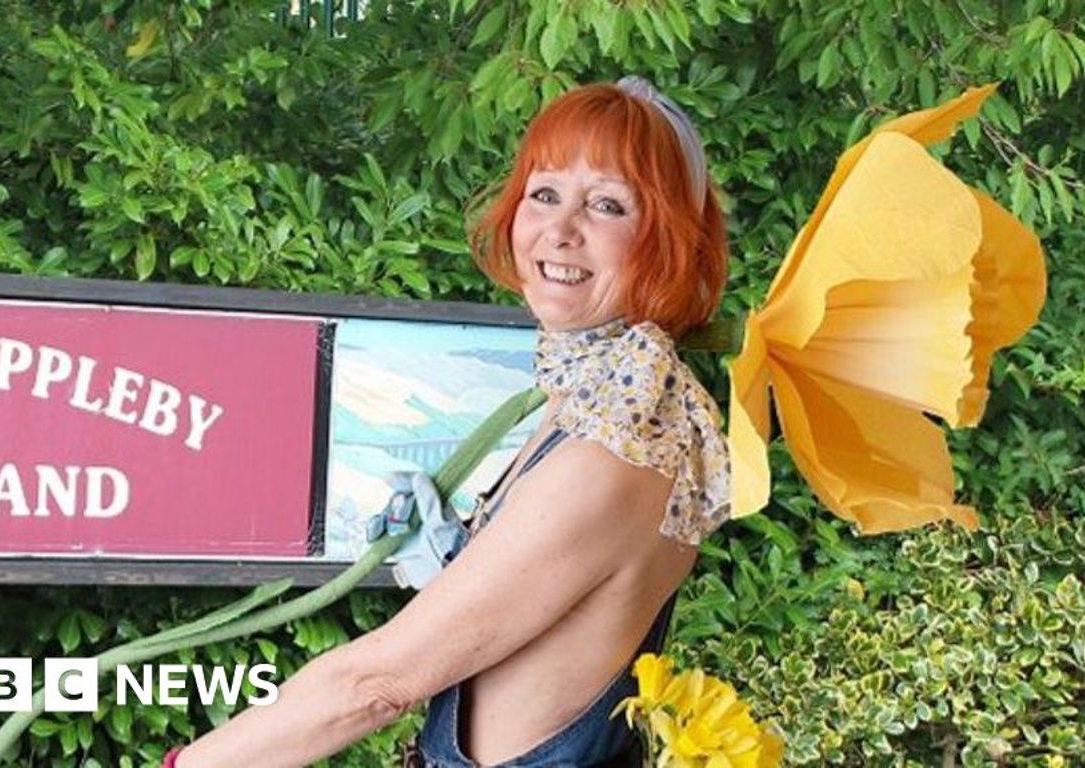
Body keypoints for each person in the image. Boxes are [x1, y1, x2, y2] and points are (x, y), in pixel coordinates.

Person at [170, 76, 731, 767]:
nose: (559, 230)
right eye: (545, 193)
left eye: (608, 205)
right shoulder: (615, 402)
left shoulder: (616, 448)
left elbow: (375, 686)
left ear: (668, 240)